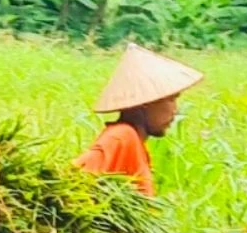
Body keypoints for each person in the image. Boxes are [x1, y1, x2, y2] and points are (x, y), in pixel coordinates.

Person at [76, 44, 204, 197]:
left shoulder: (134, 143)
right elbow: (74, 181)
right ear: (145, 102)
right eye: (171, 100)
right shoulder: (120, 137)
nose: (175, 111)